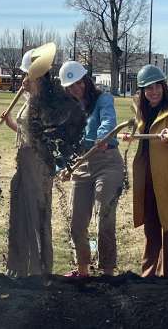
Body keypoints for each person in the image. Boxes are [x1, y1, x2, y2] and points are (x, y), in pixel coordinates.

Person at [119, 65, 168, 278]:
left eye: (157, 87)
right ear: (142, 91)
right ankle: (149, 275)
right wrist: (131, 135)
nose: (153, 92)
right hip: (148, 178)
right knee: (151, 227)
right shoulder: (142, 110)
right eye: (148, 88)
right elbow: (140, 129)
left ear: (164, 87)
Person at [58, 61, 125, 277]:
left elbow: (108, 120)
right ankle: (82, 269)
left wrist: (102, 137)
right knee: (77, 221)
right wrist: (60, 166)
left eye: (79, 83)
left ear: (86, 80)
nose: (76, 88)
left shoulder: (103, 99)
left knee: (104, 215)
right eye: (70, 86)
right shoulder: (68, 109)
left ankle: (107, 270)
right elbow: (65, 141)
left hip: (107, 162)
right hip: (81, 164)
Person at [1, 48, 54, 277]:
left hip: (37, 165)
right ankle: (20, 267)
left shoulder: (45, 102)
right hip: (23, 161)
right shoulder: (30, 99)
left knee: (36, 215)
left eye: (27, 74)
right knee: (21, 214)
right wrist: (10, 122)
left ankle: (38, 269)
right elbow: (25, 132)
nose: (23, 79)